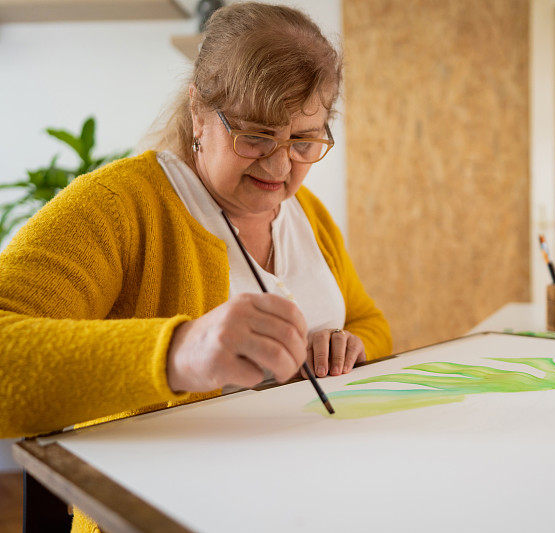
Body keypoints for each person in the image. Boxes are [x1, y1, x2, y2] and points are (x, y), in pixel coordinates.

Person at [0, 3, 391, 530]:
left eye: (303, 140)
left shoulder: (309, 216)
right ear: (198, 112)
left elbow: (371, 321)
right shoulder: (121, 205)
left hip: (311, 502)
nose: (280, 167)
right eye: (254, 135)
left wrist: (352, 342)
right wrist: (181, 352)